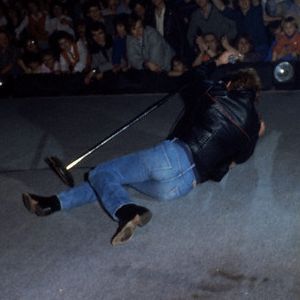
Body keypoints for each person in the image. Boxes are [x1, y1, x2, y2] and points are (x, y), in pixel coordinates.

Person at [22, 51, 265, 246]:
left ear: (232, 83)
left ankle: (126, 211)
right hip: (181, 186)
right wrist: (255, 136)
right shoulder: (253, 126)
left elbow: (191, 77)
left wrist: (217, 61)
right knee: (114, 180)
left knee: (100, 173)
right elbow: (235, 161)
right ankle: (52, 203)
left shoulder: (219, 93)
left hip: (171, 157)